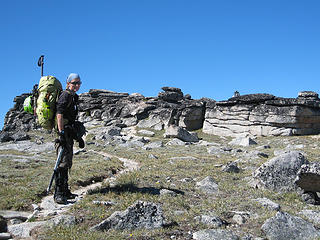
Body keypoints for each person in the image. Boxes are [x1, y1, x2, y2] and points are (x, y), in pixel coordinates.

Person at [54, 73, 85, 204]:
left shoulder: (74, 97)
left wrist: (78, 137)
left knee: (67, 162)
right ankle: (58, 194)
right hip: (62, 132)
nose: (77, 85)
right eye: (74, 83)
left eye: (79, 83)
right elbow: (59, 114)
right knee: (61, 162)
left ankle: (65, 190)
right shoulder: (65, 95)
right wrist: (60, 132)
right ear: (68, 83)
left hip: (68, 132)